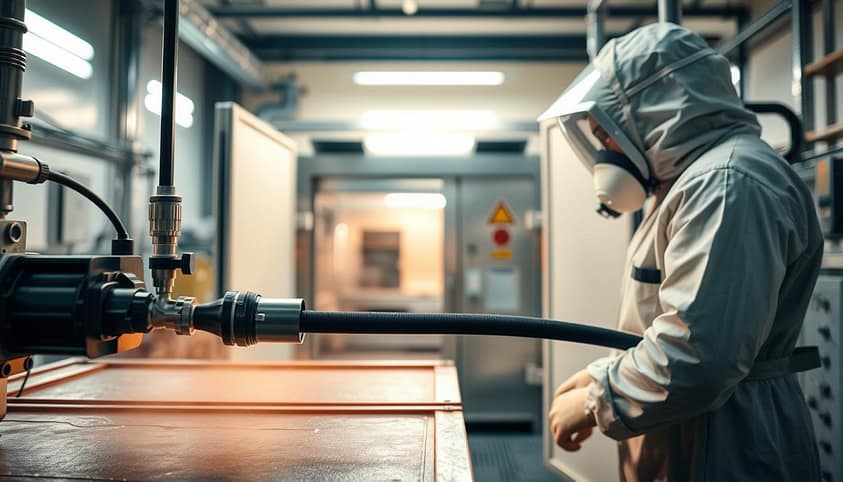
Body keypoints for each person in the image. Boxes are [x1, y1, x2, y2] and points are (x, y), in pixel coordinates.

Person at [539, 23, 823, 481]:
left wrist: (599, 398)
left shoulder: (726, 184)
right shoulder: (691, 183)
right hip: (698, 433)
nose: (607, 152)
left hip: (727, 445)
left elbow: (700, 356)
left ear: (651, 111)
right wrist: (601, 374)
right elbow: (671, 323)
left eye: (607, 134)